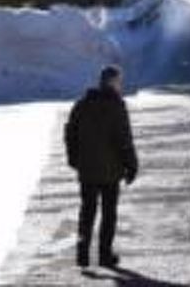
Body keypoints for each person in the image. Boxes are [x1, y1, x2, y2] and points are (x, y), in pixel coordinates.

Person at [64, 64, 139, 270]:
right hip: (110, 171)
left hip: (87, 169)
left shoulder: (82, 104)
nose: (120, 85)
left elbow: (70, 132)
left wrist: (74, 158)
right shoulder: (117, 106)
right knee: (108, 213)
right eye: (119, 81)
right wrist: (131, 165)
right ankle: (105, 255)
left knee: (87, 211)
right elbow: (124, 139)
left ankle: (82, 253)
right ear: (112, 82)